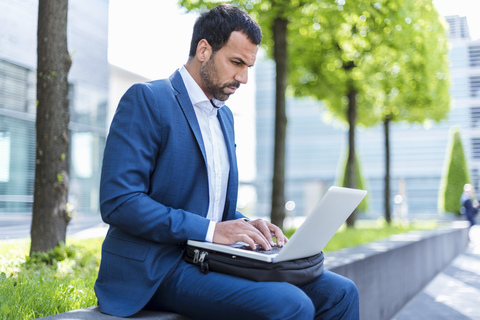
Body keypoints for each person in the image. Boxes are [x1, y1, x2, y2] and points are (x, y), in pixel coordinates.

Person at [95, 4, 359, 319]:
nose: (243, 78)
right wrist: (213, 232)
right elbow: (119, 202)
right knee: (292, 304)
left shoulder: (224, 116)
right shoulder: (148, 100)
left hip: (213, 258)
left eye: (248, 66)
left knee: (342, 293)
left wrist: (247, 226)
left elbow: (209, 204)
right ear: (203, 50)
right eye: (236, 62)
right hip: (156, 267)